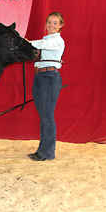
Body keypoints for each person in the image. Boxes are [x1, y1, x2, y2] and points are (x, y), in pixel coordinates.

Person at [27, 12, 65, 161]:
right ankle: (42, 150)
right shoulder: (46, 39)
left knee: (47, 117)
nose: (51, 25)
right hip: (40, 76)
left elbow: (42, 45)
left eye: (55, 23)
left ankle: (47, 153)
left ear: (61, 25)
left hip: (49, 77)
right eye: (49, 22)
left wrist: (25, 43)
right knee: (43, 117)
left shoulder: (57, 40)